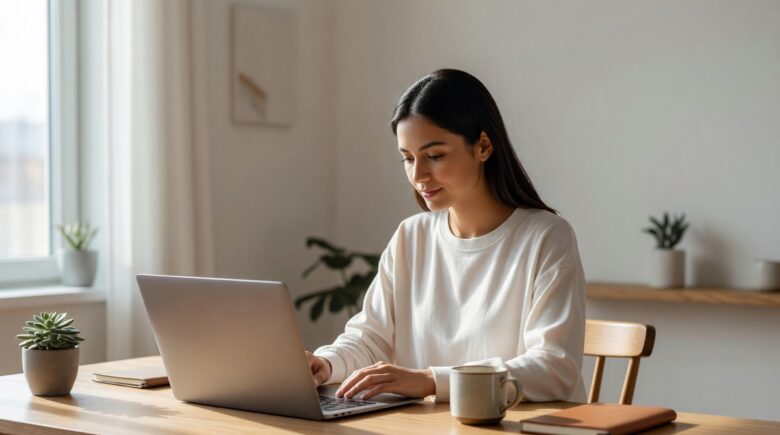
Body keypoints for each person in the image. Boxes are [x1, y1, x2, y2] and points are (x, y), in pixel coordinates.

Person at [306, 69, 586, 403]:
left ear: (483, 146)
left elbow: (552, 367)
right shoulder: (412, 236)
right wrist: (325, 363)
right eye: (407, 159)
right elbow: (371, 337)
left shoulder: (546, 237)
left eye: (434, 156)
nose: (418, 175)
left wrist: (429, 381)